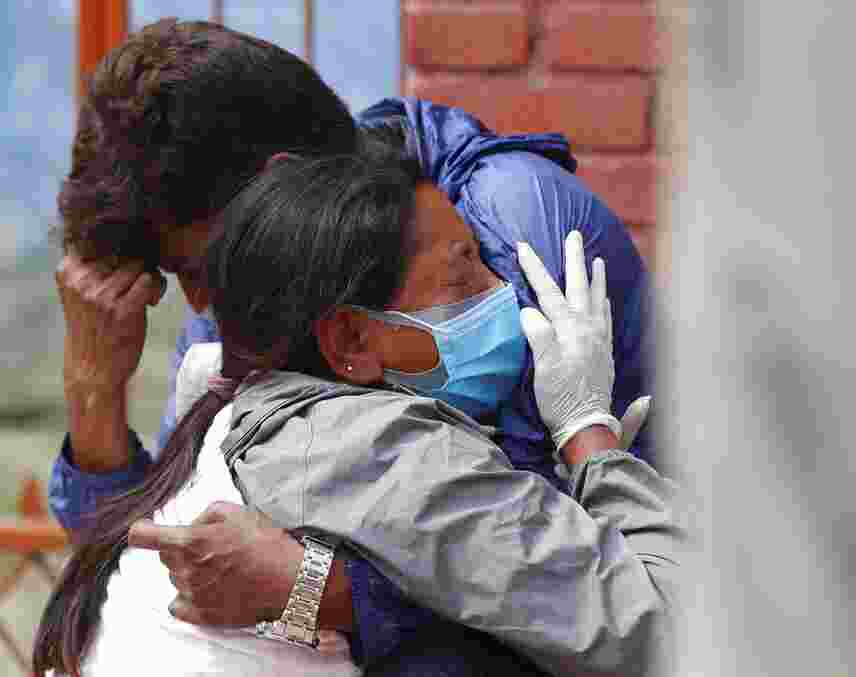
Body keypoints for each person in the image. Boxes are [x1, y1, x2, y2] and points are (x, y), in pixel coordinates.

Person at [50, 18, 655, 671]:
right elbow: (156, 576)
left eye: (195, 270)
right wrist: (94, 395)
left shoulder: (500, 228)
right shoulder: (259, 301)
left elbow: (542, 586)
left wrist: (324, 591)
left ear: (272, 188)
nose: (202, 306)